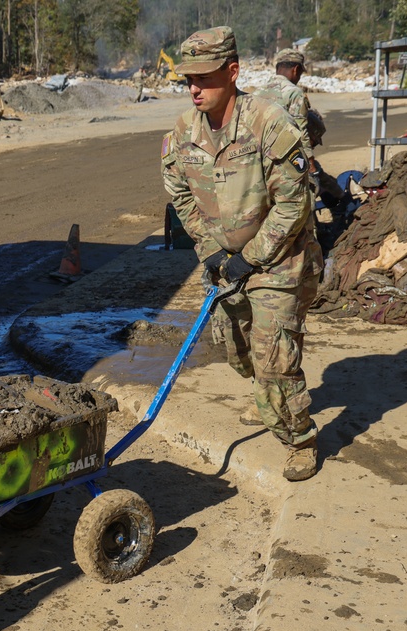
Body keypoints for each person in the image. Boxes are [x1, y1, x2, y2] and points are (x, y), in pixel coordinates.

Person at [160, 26, 324, 481]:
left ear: (232, 72)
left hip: (280, 260)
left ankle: (300, 438)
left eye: (204, 78)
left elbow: (295, 203)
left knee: (274, 361)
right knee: (237, 351)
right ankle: (269, 393)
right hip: (224, 263)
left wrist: (251, 257)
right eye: (187, 80)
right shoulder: (182, 132)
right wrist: (209, 248)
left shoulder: (268, 122)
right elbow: (179, 193)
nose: (193, 88)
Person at [254, 49, 345, 210]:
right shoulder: (293, 93)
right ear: (296, 70)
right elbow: (301, 132)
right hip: (285, 160)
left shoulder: (257, 93)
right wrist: (311, 166)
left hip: (257, 162)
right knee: (304, 204)